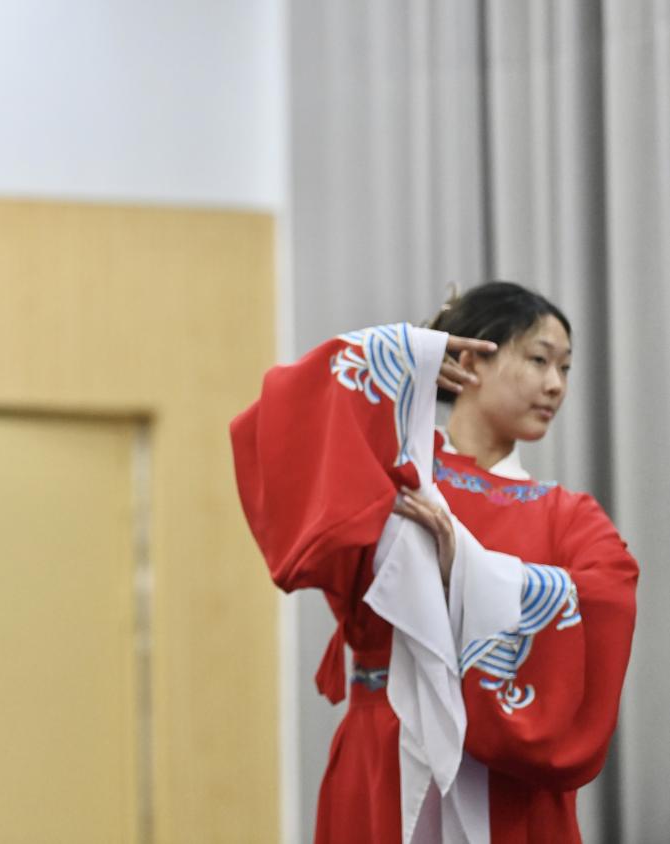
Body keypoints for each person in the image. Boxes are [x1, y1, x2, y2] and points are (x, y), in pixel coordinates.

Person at [229, 282, 638, 843]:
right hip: (388, 748)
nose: (556, 385)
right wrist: (396, 355)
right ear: (469, 361)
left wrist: (463, 566)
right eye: (539, 359)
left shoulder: (567, 515)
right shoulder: (394, 472)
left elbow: (606, 594)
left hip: (504, 775)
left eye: (565, 368)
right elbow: (278, 427)